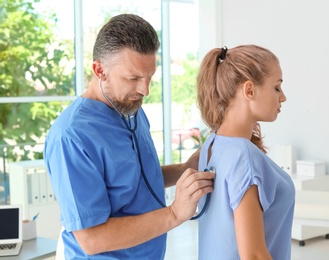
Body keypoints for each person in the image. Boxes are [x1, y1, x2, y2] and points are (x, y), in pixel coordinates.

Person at [43, 13, 215, 259]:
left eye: (149, 78)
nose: (144, 90)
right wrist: (175, 213)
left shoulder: (129, 108)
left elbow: (136, 180)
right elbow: (91, 239)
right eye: (133, 78)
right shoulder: (71, 137)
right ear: (100, 70)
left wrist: (184, 168)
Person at [196, 45, 295, 260]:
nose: (283, 97)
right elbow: (254, 255)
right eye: (276, 88)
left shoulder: (212, 144)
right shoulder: (243, 156)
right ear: (249, 90)